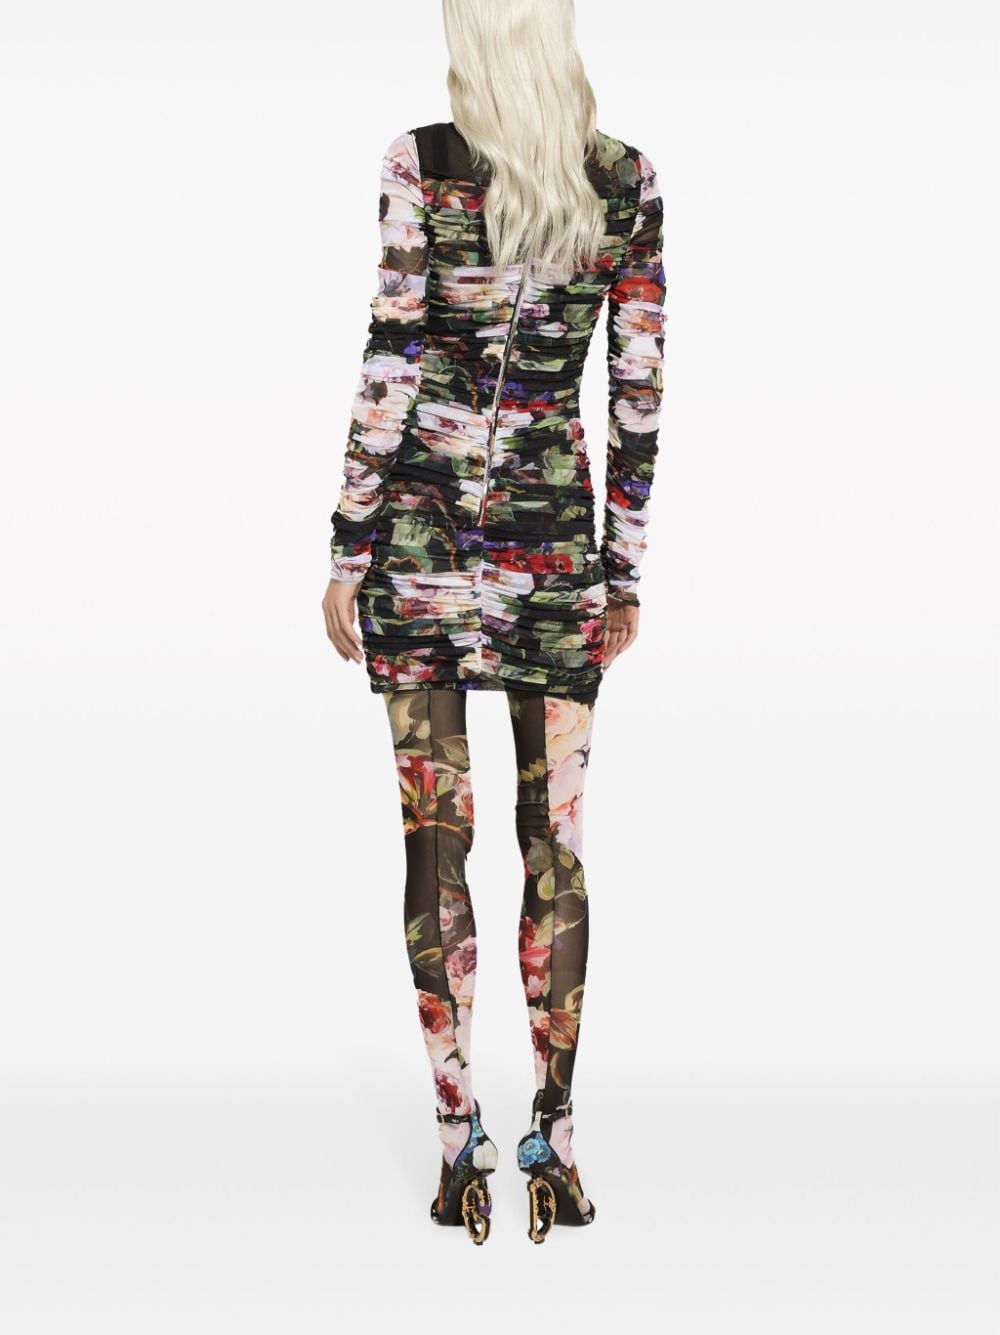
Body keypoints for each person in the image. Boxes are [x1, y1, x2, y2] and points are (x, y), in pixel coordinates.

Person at [322, 0, 665, 1245]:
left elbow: (393, 359)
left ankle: (456, 1142)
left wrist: (348, 544)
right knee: (554, 849)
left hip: (417, 552)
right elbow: (637, 391)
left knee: (435, 844)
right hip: (552, 558)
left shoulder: (421, 163)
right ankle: (554, 1148)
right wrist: (621, 571)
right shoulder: (622, 182)